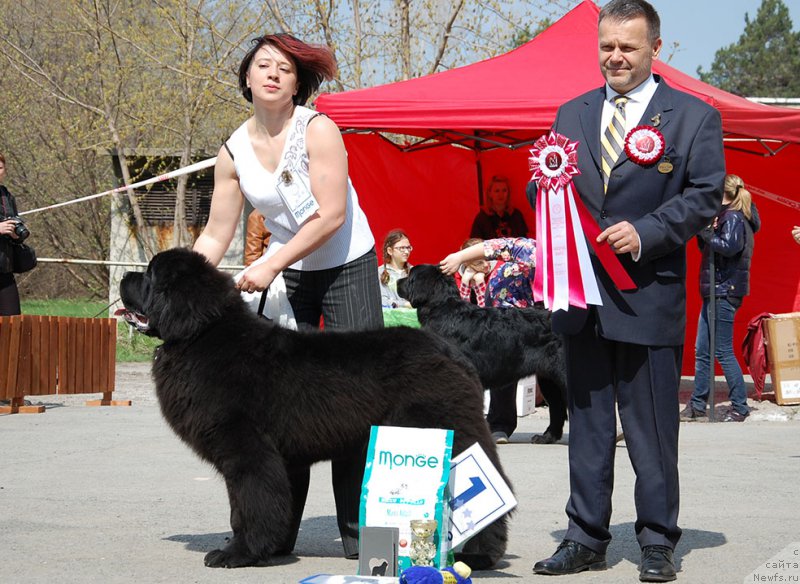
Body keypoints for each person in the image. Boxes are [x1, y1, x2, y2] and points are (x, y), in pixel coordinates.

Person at [531, 1, 725, 581]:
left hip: (649, 295)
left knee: (651, 431)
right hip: (583, 299)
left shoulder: (693, 116)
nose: (615, 56)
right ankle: (585, 537)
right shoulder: (570, 113)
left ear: (654, 49)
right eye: (607, 46)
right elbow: (552, 190)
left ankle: (658, 541)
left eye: (629, 47)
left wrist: (645, 233)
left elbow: (704, 195)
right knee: (587, 428)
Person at [192, 33, 383, 559]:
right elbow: (215, 234)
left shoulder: (318, 129)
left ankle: (361, 532)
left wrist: (270, 262)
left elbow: (332, 215)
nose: (273, 74)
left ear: (298, 81)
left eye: (284, 68)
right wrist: (179, 284)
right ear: (247, 79)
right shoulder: (231, 152)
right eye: (262, 66)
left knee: (354, 396)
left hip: (346, 263)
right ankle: (271, 533)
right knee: (281, 405)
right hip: (289, 274)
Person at [441, 236, 537, 443]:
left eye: (483, 259)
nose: (483, 264)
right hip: (496, 326)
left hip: (532, 319)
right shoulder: (522, 250)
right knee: (502, 372)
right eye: (477, 260)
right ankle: (499, 425)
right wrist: (468, 280)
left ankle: (561, 424)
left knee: (552, 375)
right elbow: (466, 306)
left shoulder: (504, 263)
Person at [683, 175, 760, 423]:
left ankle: (740, 406)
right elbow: (710, 248)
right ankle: (697, 403)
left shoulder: (734, 216)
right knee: (703, 350)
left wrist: (706, 233)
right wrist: (704, 234)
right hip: (716, 289)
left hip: (725, 290)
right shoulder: (727, 216)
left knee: (723, 350)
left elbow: (729, 246)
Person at [470, 175, 529, 240]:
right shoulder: (482, 218)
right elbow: (475, 244)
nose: (501, 194)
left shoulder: (516, 215)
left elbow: (524, 241)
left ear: (508, 193)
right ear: (490, 193)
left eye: (504, 190)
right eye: (497, 191)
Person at [0, 153, 23, 316]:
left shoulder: (6, 195)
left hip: (4, 268)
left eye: (0, 167)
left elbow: (15, 221)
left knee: (13, 322)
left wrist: (16, 235)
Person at [377, 229, 412, 308]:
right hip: (390, 319)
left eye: (408, 247)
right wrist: (405, 305)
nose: (406, 252)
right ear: (390, 251)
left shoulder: (414, 271)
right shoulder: (380, 273)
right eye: (402, 248)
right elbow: (382, 301)